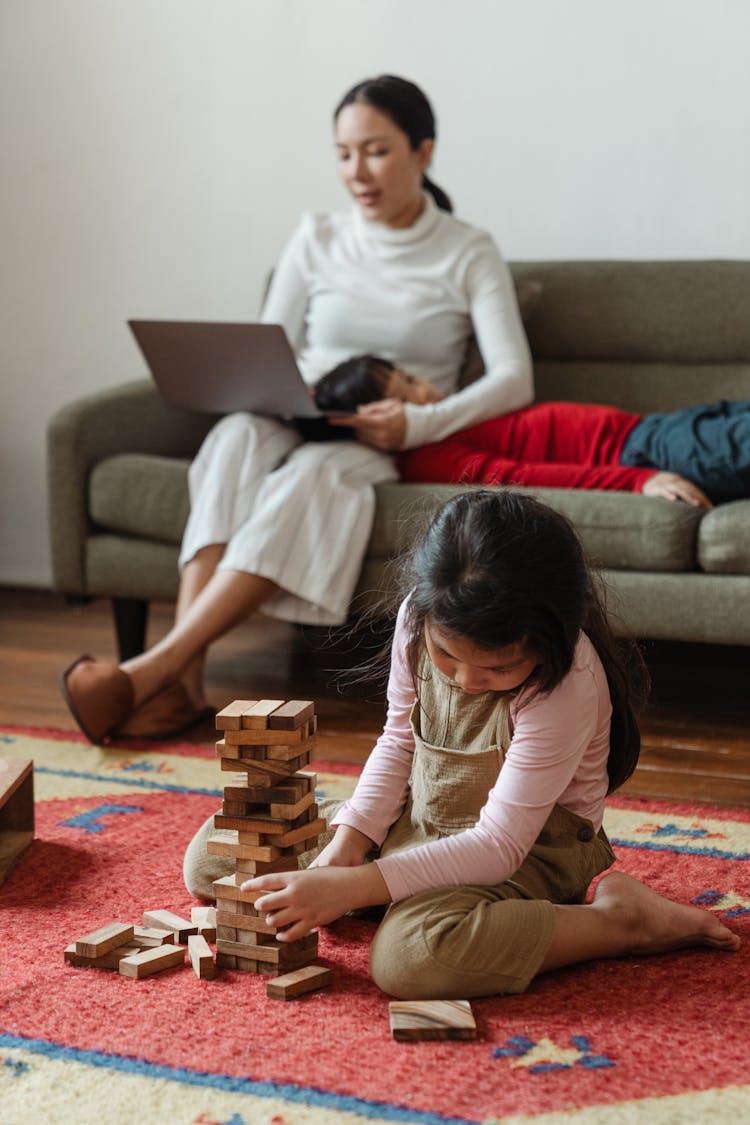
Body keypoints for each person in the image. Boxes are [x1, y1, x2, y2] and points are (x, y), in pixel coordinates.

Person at [59, 74, 533, 743]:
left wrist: (416, 422)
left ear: (424, 152)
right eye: (343, 154)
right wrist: (274, 394)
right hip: (298, 406)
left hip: (380, 434)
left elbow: (515, 378)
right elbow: (268, 342)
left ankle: (150, 674)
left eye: (375, 151)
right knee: (232, 439)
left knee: (313, 477)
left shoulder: (466, 249)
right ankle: (183, 685)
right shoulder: (315, 236)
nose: (355, 172)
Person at [183, 490, 739, 1000]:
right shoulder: (416, 620)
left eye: (499, 667)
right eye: (448, 657)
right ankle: (396, 892)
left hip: (527, 853)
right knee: (214, 855)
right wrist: (345, 848)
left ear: (554, 637)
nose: (467, 681)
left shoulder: (568, 683)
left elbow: (498, 846)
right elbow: (398, 742)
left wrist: (351, 887)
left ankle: (618, 921)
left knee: (411, 959)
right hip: (421, 822)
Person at [314, 354, 750, 507]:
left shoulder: (450, 418)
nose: (423, 387)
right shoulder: (429, 456)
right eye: (406, 391)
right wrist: (640, 480)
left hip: (656, 428)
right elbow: (525, 479)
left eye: (409, 376)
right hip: (643, 452)